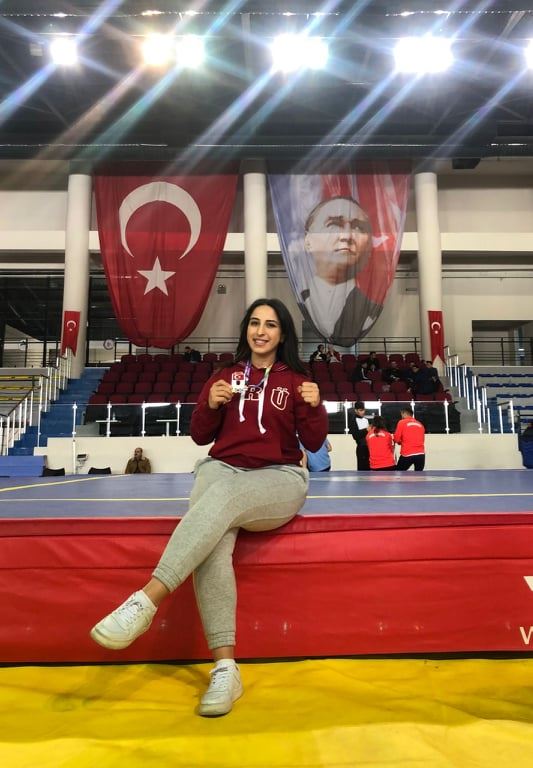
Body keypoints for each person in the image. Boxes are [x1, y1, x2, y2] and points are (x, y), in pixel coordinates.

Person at [90, 298, 328, 717]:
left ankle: (145, 601)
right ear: (245, 329)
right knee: (214, 541)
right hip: (222, 468)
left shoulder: (296, 381)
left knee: (219, 497)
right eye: (254, 323)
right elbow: (200, 436)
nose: (261, 331)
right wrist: (211, 405)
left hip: (279, 478)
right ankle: (225, 668)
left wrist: (314, 405)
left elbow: (312, 442)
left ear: (282, 335)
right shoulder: (224, 376)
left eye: (271, 325)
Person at [297, 196, 382, 343]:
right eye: (334, 224)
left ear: (369, 245)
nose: (347, 236)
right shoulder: (300, 300)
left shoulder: (372, 310)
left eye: (358, 227)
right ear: (308, 241)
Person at [394, 406, 426, 471]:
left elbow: (396, 439)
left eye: (401, 414)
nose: (401, 416)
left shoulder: (401, 422)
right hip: (421, 454)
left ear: (404, 413)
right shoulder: (420, 424)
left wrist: (400, 442)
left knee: (398, 473)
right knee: (419, 475)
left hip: (407, 453)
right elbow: (422, 439)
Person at [348, 401, 370, 470]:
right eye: (361, 410)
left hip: (369, 447)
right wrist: (366, 430)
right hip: (361, 447)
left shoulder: (366, 420)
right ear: (356, 410)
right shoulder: (353, 421)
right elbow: (355, 436)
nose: (363, 412)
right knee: (362, 469)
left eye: (363, 410)